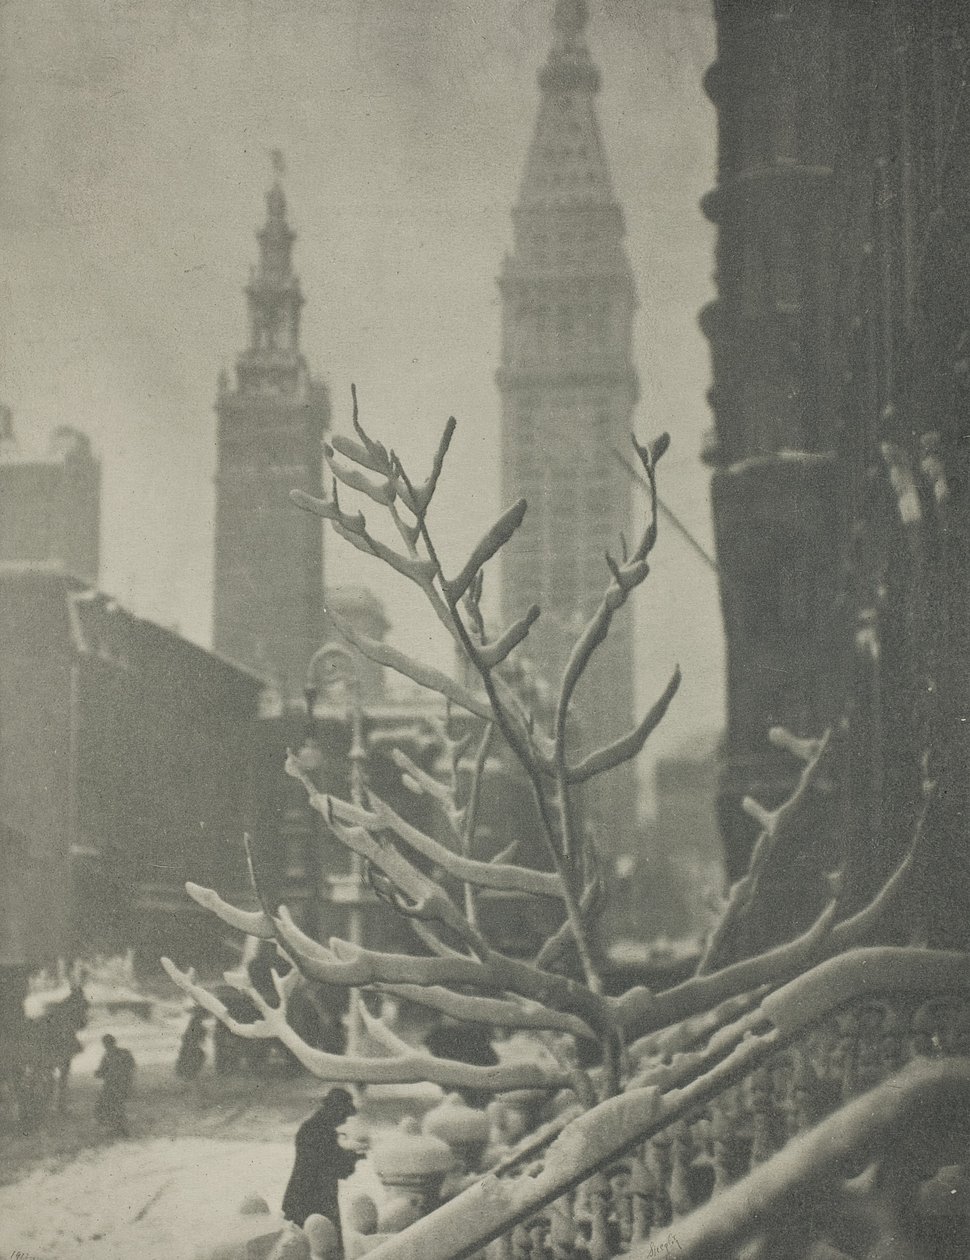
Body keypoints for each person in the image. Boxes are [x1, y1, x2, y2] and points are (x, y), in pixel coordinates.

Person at [281, 1088, 362, 1245]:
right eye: (344, 1115)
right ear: (336, 1111)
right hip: (318, 1198)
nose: (345, 1120)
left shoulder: (310, 1127)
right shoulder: (324, 1131)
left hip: (298, 1195)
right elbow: (337, 1168)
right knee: (325, 1245)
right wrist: (354, 1157)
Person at [94, 1033, 135, 1137]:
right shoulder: (125, 1052)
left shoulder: (107, 1056)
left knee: (108, 1107)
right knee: (118, 1107)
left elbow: (101, 1072)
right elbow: (132, 1066)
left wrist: (97, 1073)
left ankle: (117, 1129)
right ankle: (119, 1128)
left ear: (105, 1044)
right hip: (124, 1084)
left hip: (111, 1086)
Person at [175, 1008, 208, 1081]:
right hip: (191, 1043)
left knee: (192, 1056)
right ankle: (189, 1074)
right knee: (196, 1056)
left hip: (190, 1043)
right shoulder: (196, 1022)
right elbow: (197, 1034)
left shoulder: (195, 1021)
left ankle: (187, 1073)